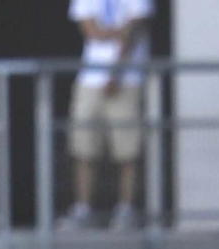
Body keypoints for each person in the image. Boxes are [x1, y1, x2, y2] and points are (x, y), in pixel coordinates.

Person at [62, 0, 153, 230]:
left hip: (128, 79)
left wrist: (116, 72)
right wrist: (118, 33)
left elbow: (133, 31)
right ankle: (83, 209)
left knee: (127, 149)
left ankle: (126, 209)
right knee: (83, 146)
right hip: (90, 79)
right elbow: (90, 30)